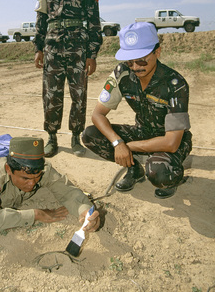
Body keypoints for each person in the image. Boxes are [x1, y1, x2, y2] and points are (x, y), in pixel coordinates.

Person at [82, 22, 192, 199]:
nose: (135, 67)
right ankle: (134, 170)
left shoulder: (175, 84)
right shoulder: (122, 73)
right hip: (142, 132)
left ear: (157, 52)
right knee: (90, 134)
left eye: (141, 60)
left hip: (170, 140)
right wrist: (118, 143)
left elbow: (171, 142)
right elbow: (98, 114)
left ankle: (171, 177)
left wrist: (127, 147)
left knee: (159, 172)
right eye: (129, 61)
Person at [0, 126, 100, 233]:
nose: (32, 183)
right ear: (8, 169)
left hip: (4, 152)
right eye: (25, 178)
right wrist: (34, 214)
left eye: (36, 178)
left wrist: (84, 210)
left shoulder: (42, 170)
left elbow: (68, 192)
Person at [33, 0, 102, 158]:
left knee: (78, 94)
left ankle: (75, 137)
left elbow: (93, 21)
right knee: (51, 95)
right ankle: (51, 137)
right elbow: (41, 18)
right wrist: (38, 48)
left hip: (78, 49)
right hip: (52, 48)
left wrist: (92, 53)